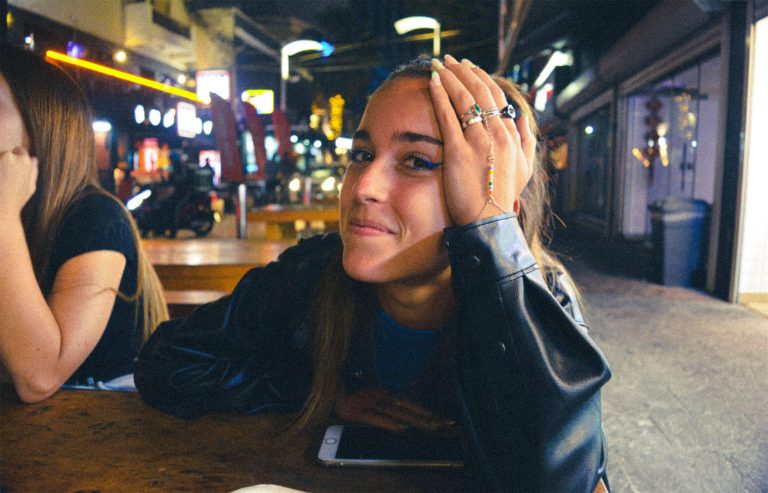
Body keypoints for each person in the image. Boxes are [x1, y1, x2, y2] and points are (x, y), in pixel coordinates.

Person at [135, 54, 611, 492]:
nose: (364, 186)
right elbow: (165, 364)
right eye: (362, 155)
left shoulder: (541, 299)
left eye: (417, 161)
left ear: (502, 204)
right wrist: (319, 395)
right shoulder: (312, 274)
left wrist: (491, 238)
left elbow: (564, 481)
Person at [0, 44, 168, 402]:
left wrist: (2, 218)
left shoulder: (96, 218)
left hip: (99, 424)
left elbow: (40, 376)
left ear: (40, 127)